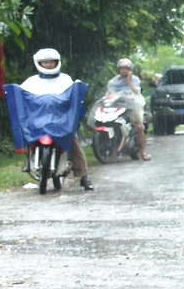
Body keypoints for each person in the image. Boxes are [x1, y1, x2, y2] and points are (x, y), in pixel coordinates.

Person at [19, 48, 92, 191]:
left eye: (51, 62)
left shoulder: (65, 80)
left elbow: (73, 99)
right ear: (38, 63)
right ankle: (29, 160)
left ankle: (84, 176)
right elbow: (22, 100)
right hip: (38, 121)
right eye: (45, 62)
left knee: (74, 141)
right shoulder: (30, 82)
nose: (48, 65)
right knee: (26, 136)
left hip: (61, 121)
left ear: (57, 63)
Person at [105, 58, 149, 160]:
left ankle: (143, 151)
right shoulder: (113, 82)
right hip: (117, 106)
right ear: (119, 69)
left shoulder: (135, 80)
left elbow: (136, 91)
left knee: (138, 126)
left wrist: (129, 81)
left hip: (132, 105)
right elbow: (110, 93)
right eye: (122, 68)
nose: (124, 70)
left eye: (126, 68)